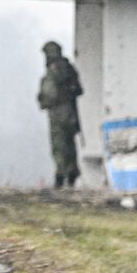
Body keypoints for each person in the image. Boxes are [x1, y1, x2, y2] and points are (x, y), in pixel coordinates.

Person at [36, 41, 83, 188]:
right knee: (69, 144)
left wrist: (42, 100)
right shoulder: (69, 69)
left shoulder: (53, 70)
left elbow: (49, 94)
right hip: (70, 113)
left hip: (58, 113)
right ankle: (71, 174)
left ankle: (61, 176)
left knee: (59, 145)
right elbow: (79, 90)